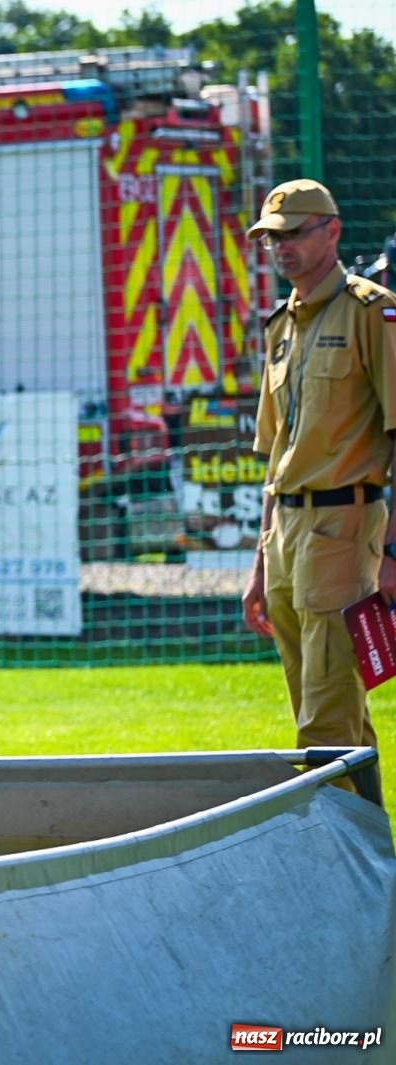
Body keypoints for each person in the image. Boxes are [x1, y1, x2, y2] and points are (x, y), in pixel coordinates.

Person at [241, 179, 396, 801]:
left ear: (331, 231)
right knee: (325, 712)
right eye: (271, 238)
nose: (281, 247)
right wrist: (259, 563)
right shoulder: (282, 324)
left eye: (294, 233)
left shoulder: (372, 311)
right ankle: (370, 865)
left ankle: (340, 863)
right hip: (287, 533)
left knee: (325, 718)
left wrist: (391, 555)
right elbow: (276, 454)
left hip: (345, 523)